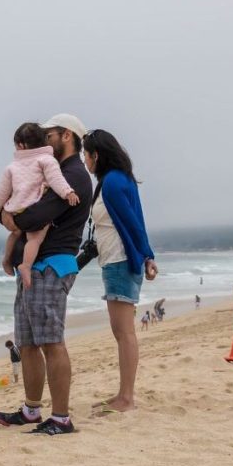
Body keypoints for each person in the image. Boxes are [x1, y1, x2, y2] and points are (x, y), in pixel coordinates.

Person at [0, 114, 93, 436]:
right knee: (28, 342)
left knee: (50, 341)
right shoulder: (51, 169)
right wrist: (9, 216)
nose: (42, 140)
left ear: (66, 135)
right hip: (34, 266)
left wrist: (8, 216)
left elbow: (35, 215)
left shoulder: (72, 174)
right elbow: (23, 214)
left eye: (48, 134)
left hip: (52, 264)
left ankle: (61, 417)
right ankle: (31, 409)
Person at [70, 129, 158, 414]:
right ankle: (123, 393)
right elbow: (137, 219)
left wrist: (146, 255)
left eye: (86, 154)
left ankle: (127, 398)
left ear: (97, 155)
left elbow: (134, 222)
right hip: (115, 261)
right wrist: (148, 255)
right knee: (121, 332)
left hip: (120, 261)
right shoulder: (116, 180)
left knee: (124, 332)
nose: (84, 160)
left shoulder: (112, 183)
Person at [0, 122, 81, 287]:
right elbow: (56, 180)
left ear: (20, 145)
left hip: (15, 208)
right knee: (34, 240)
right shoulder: (46, 160)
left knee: (15, 233)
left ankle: (6, 260)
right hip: (33, 205)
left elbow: (2, 191)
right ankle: (26, 265)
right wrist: (68, 192)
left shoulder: (12, 166)